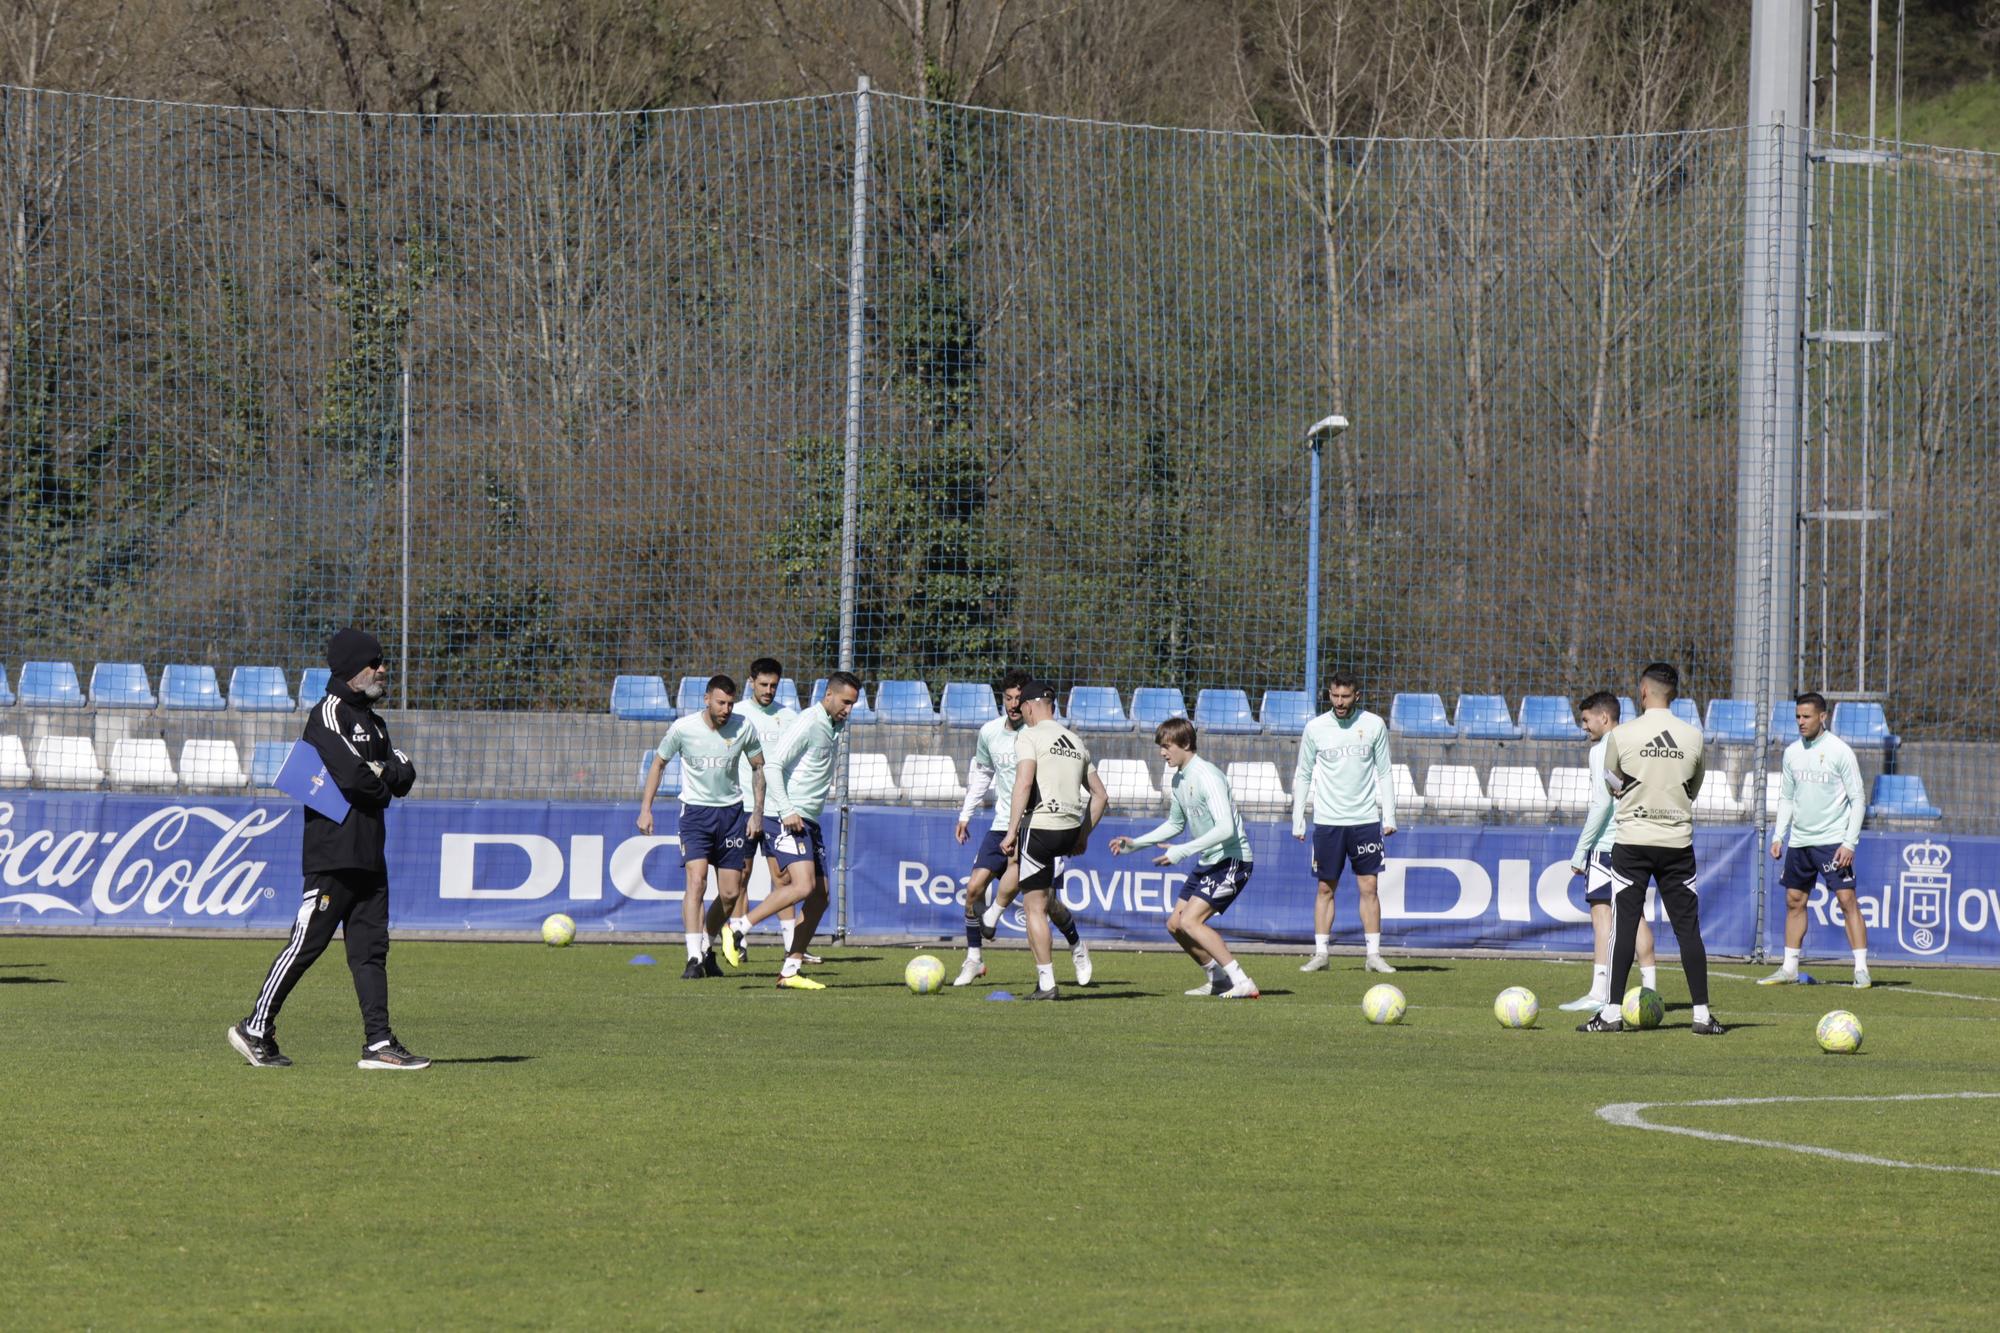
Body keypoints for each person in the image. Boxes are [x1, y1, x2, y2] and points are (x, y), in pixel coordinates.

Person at [228, 628, 426, 1070]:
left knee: (371, 951)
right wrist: (382, 775)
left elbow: (403, 776)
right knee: (307, 943)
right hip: (334, 853)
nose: (382, 670)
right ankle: (254, 1027)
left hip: (370, 853)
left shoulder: (374, 721)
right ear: (351, 668)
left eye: (382, 662)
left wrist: (380, 774)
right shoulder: (329, 713)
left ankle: (379, 1044)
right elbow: (361, 781)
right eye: (374, 663)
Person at [1580, 662, 1723, 1035]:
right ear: (1672, 693)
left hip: (1632, 842)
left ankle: (1611, 1013)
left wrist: (1632, 792)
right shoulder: (1692, 736)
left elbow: (1611, 780)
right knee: (1687, 929)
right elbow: (1694, 786)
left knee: (1623, 926)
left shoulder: (1622, 735)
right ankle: (1702, 1015)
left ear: (1643, 692)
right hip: (1676, 843)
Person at [721, 672, 861, 989]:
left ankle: (790, 969)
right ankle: (738, 927)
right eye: (845, 702)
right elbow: (772, 765)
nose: (849, 709)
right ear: (829, 695)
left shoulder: (834, 726)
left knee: (821, 897)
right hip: (786, 816)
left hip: (808, 819)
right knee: (801, 886)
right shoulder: (809, 721)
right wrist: (787, 809)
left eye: (853, 704)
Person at [954, 670, 1091, 988]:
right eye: (1008, 698)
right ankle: (974, 959)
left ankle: (1076, 945)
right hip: (1004, 824)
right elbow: (983, 774)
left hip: (1039, 826)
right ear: (1002, 698)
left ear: (1029, 702)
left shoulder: (1041, 735)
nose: (1014, 705)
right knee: (974, 889)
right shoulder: (989, 732)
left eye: (1019, 699)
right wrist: (966, 814)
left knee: (1047, 905)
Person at [1111, 718, 1259, 999]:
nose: (1162, 753)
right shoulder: (1179, 779)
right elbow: (1175, 824)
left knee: (1191, 921)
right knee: (1175, 925)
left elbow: (1226, 828)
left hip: (1233, 860)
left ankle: (1242, 980)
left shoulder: (1207, 776)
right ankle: (1217, 979)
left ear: (1186, 744)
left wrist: (1183, 850)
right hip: (1209, 861)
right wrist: (1136, 845)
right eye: (1161, 747)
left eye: (1167, 746)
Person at [638, 674, 766, 980]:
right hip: (695, 815)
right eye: (721, 703)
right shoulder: (683, 728)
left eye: (731, 704)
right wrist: (646, 809)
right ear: (707, 699)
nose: (726, 709)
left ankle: (707, 948)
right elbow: (658, 763)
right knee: (696, 883)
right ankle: (693, 956)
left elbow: (758, 766)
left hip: (732, 816)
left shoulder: (743, 727)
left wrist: (757, 812)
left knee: (731, 894)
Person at [998, 680, 1108, 1001]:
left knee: (1033, 906)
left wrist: (1011, 831)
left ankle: (1046, 984)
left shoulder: (1028, 736)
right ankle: (1075, 942)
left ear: (1030, 707)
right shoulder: (1075, 740)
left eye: (1023, 708)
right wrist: (1083, 835)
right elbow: (1101, 796)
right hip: (1071, 828)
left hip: (1041, 828)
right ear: (1054, 707)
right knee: (1044, 900)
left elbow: (1023, 784)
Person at [1760, 691, 1872, 988]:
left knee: (1847, 900)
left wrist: (1850, 842)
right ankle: (1789, 968)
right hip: (1799, 842)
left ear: (1823, 717)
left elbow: (1858, 799)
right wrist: (1779, 835)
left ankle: (1861, 969)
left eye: (1806, 716)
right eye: (1797, 716)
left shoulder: (1840, 751)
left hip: (1833, 842)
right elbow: (1786, 797)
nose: (1801, 722)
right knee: (1794, 900)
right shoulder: (1792, 752)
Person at [1559, 691, 1659, 1012]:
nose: (1583, 727)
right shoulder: (1636, 745)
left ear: (1604, 718)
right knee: (1636, 916)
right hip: (1637, 841)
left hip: (1607, 846)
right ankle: (1650, 991)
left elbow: (1601, 804)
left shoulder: (1603, 749)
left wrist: (1581, 851)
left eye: (1586, 720)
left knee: (1602, 917)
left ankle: (1599, 992)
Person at [1291, 672, 1398, 974]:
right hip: (1327, 821)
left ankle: (1373, 955)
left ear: (1356, 695)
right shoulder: (1315, 728)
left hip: (1365, 820)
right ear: (1329, 694)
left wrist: (1389, 815)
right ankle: (1321, 953)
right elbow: (1303, 773)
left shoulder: (1374, 725)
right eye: (1335, 696)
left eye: (1345, 697)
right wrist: (1298, 817)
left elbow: (1385, 772)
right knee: (1326, 887)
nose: (1339, 702)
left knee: (1370, 886)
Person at [734, 658, 813, 965]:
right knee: (741, 875)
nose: (768, 691)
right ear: (751, 681)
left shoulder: (788, 717)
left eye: (773, 686)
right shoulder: (737, 714)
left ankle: (791, 944)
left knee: (782, 878)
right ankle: (737, 940)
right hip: (742, 806)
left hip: (776, 809)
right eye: (763, 684)